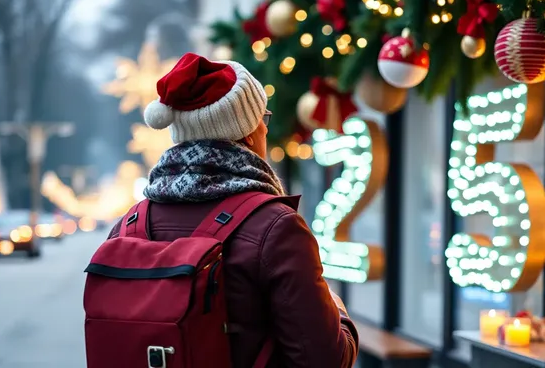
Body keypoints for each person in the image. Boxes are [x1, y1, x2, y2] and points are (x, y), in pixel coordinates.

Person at [106, 53, 359, 368]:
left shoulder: (130, 225)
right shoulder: (276, 227)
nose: (266, 130)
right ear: (250, 133)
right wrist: (340, 312)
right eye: (263, 118)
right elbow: (326, 360)